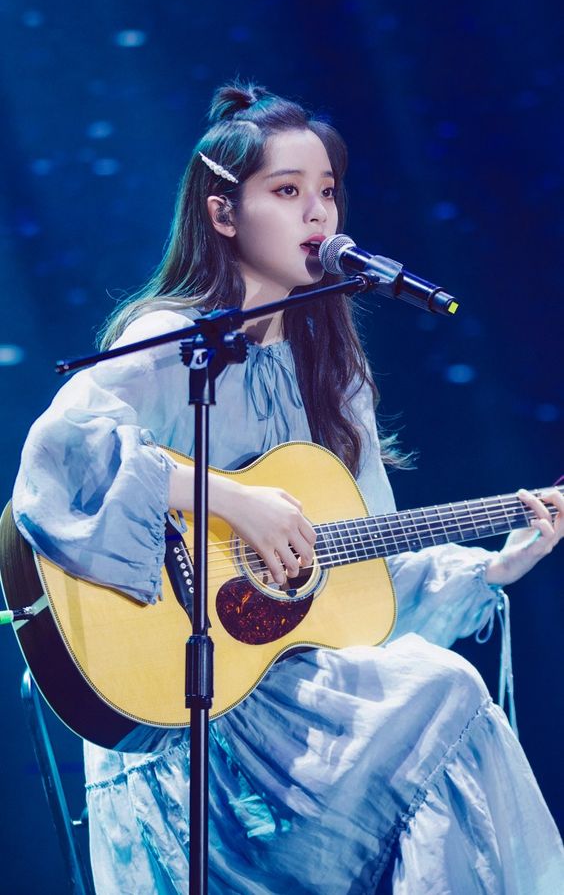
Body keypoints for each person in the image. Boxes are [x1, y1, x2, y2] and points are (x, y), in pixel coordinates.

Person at [12, 82, 564, 894]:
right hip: (184, 712)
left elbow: (363, 572)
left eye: (328, 192)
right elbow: (63, 453)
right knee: (441, 690)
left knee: (439, 687)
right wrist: (233, 500)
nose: (319, 214)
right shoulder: (171, 339)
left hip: (296, 696)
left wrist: (494, 566)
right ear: (223, 213)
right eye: (287, 191)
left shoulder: (335, 372)